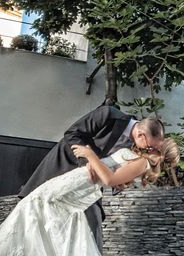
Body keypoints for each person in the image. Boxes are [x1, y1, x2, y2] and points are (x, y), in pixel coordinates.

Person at [0, 138, 180, 255]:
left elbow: (109, 180)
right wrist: (100, 166)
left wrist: (89, 154)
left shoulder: (143, 163)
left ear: (160, 146)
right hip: (82, 184)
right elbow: (117, 179)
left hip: (81, 183)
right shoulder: (141, 161)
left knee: (36, 204)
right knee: (40, 212)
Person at [18, 105, 165, 252]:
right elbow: (72, 134)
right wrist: (88, 161)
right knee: (37, 219)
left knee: (93, 223)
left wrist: (120, 183)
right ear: (141, 135)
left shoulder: (135, 145)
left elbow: (116, 169)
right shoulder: (108, 114)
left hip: (90, 185)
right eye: (149, 146)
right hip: (66, 167)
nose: (148, 150)